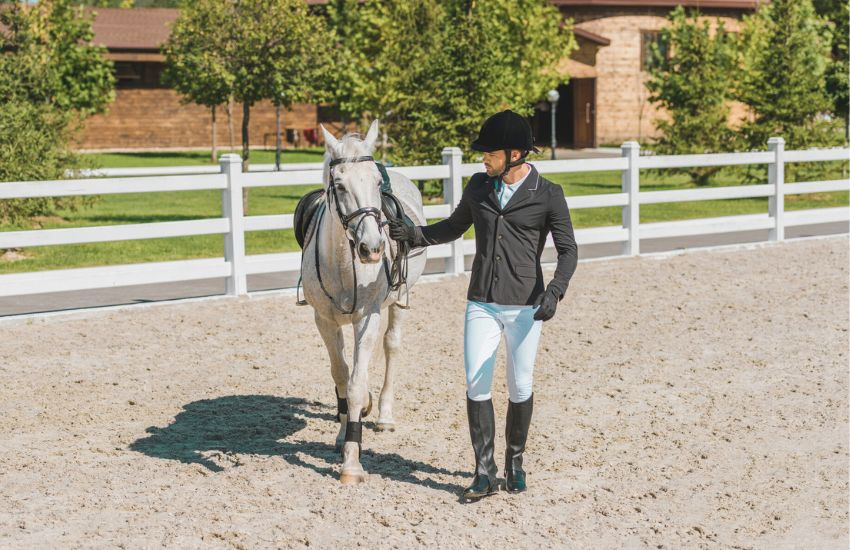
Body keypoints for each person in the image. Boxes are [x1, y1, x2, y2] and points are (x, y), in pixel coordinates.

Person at [387, 110, 578, 499]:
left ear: (513, 154)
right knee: (476, 382)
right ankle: (484, 472)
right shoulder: (479, 186)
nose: (482, 159)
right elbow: (454, 227)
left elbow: (568, 251)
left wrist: (554, 291)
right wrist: (414, 234)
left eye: (488, 153)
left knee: (520, 385)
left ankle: (515, 463)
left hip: (527, 304)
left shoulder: (548, 193)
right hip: (482, 302)